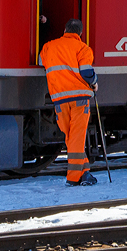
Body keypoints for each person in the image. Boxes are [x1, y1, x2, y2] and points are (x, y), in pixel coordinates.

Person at [38, 18, 98, 186]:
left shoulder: (49, 46)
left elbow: (41, 60)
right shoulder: (82, 48)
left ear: (64, 30)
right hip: (79, 99)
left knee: (72, 139)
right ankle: (73, 178)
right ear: (79, 33)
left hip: (59, 99)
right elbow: (87, 72)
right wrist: (94, 82)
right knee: (76, 139)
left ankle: (85, 173)